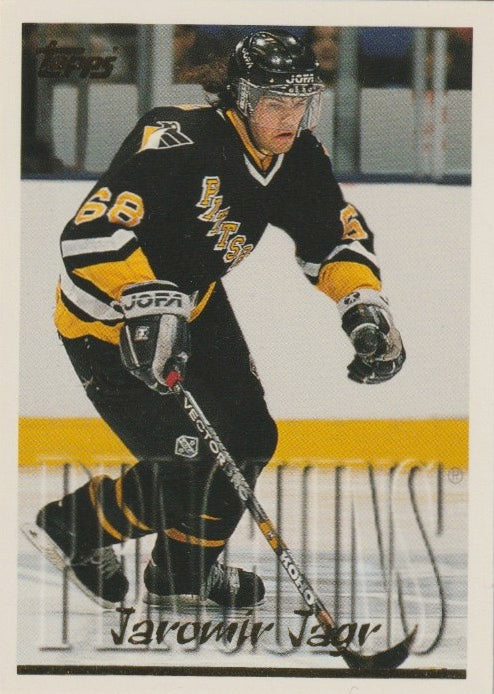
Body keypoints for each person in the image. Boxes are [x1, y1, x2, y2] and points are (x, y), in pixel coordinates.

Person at [24, 29, 405, 610]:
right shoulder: (177, 136)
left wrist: (362, 305)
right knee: (193, 466)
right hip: (108, 321)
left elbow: (331, 236)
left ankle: (182, 572)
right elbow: (88, 234)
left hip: (195, 304)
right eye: (276, 102)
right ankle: (74, 525)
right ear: (243, 98)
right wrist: (143, 298)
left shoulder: (298, 155)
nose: (291, 117)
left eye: (301, 101)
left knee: (251, 438)